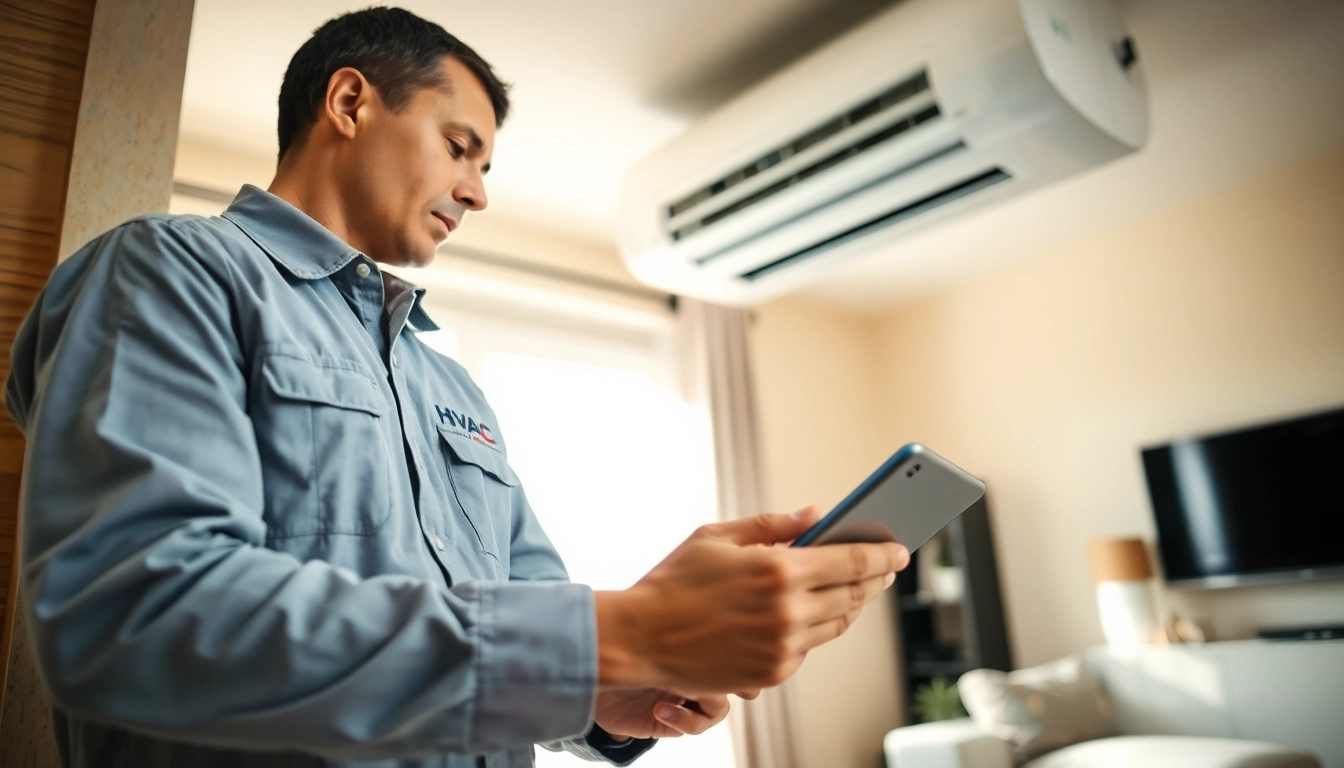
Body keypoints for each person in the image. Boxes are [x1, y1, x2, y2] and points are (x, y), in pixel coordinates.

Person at [5, 7, 909, 768]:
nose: (476, 194)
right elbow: (134, 620)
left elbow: (527, 619)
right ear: (351, 101)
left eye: (483, 168)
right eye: (460, 148)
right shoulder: (173, 271)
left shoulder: (448, 387)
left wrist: (605, 691)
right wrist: (623, 632)